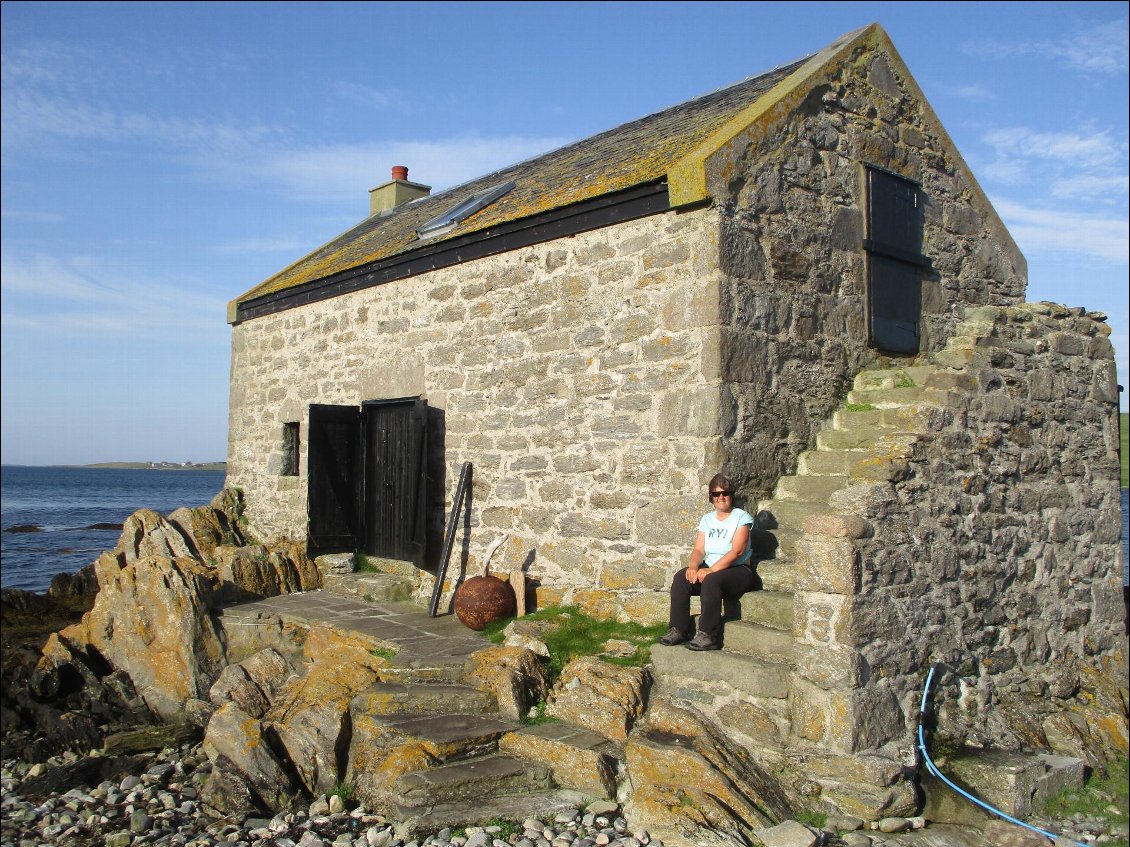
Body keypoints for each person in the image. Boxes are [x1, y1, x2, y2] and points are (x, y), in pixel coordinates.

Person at [658, 473, 756, 651]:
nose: (721, 498)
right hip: (712, 568)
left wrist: (711, 570)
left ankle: (708, 635)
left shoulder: (741, 517)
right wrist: (694, 566)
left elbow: (738, 551)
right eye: (716, 494)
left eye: (725, 493)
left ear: (731, 495)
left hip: (738, 570)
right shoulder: (707, 519)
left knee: (711, 580)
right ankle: (678, 629)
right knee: (681, 578)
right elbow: (699, 549)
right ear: (711, 497)